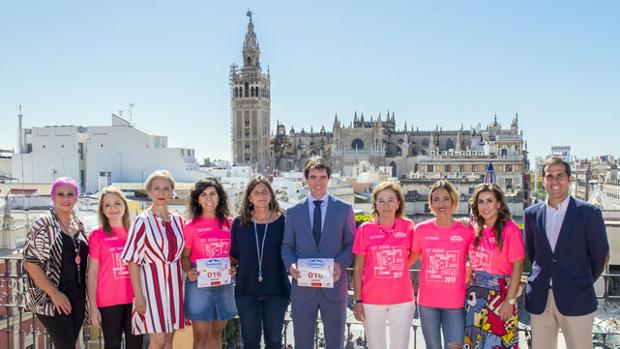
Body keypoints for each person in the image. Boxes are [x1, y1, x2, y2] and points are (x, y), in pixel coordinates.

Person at [524, 157, 609, 349]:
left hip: (577, 297)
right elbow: (532, 253)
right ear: (542, 180)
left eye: (560, 176)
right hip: (540, 299)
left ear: (569, 179)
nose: (554, 181)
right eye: (549, 176)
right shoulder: (531, 214)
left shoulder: (589, 213)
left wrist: (580, 280)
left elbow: (600, 255)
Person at [281, 156, 356, 349]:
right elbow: (286, 247)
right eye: (313, 177)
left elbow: (351, 245)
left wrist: (340, 264)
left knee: (335, 344)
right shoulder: (293, 211)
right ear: (306, 179)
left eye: (322, 177)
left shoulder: (344, 209)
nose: (318, 182)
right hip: (303, 290)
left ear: (328, 179)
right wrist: (292, 265)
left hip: (334, 288)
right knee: (303, 343)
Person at [121, 170, 186, 349]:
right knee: (157, 342)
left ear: (172, 192)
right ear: (149, 192)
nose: (161, 193)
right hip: (151, 290)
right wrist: (139, 296)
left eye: (166, 189)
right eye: (156, 188)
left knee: (169, 342)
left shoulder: (179, 221)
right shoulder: (141, 221)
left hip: (175, 289)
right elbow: (132, 261)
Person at [23, 177, 89, 349]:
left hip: (77, 297)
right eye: (60, 194)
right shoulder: (44, 224)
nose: (65, 199)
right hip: (51, 299)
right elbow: (30, 263)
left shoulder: (79, 225)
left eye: (70, 194)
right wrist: (54, 294)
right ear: (53, 197)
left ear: (76, 198)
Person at [409, 180, 474, 349]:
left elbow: (477, 259)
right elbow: (413, 257)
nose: (441, 203)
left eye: (446, 198)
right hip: (427, 303)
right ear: (430, 203)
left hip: (455, 302)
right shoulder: (421, 230)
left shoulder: (467, 229)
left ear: (453, 201)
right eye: (436, 199)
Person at [352, 181, 415, 349]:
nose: (386, 205)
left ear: (398, 203)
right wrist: (357, 301)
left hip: (402, 299)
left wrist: (399, 265)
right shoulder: (365, 229)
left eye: (390, 200)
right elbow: (358, 269)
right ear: (375, 204)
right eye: (381, 200)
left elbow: (415, 254)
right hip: (371, 300)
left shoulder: (409, 227)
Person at [231, 175, 290, 349]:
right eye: (256, 192)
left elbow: (290, 252)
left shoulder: (283, 222)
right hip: (246, 291)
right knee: (250, 341)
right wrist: (232, 267)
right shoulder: (239, 223)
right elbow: (234, 255)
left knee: (274, 340)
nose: (261, 195)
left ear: (271, 195)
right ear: (249, 197)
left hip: (277, 290)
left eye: (264, 191)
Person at [465, 183, 524, 349]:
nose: (485, 206)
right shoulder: (475, 228)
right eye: (481, 202)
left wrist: (509, 301)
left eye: (489, 201)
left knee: (498, 344)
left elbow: (518, 267)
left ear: (499, 204)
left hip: (500, 298)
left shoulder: (510, 229)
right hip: (475, 298)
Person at [182, 177, 236, 349]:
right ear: (197, 200)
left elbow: (235, 256)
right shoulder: (190, 227)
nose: (209, 198)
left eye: (213, 194)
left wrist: (234, 267)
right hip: (199, 285)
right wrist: (189, 271)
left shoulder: (230, 223)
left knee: (216, 335)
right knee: (200, 338)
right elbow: (184, 257)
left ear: (220, 197)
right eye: (203, 195)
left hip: (224, 284)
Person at [88, 186, 144, 349]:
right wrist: (93, 307)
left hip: (135, 299)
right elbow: (92, 273)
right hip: (108, 301)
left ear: (125, 206)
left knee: (136, 344)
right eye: (107, 205)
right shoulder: (97, 235)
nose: (113, 208)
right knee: (112, 344)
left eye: (117, 203)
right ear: (102, 210)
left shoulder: (135, 232)